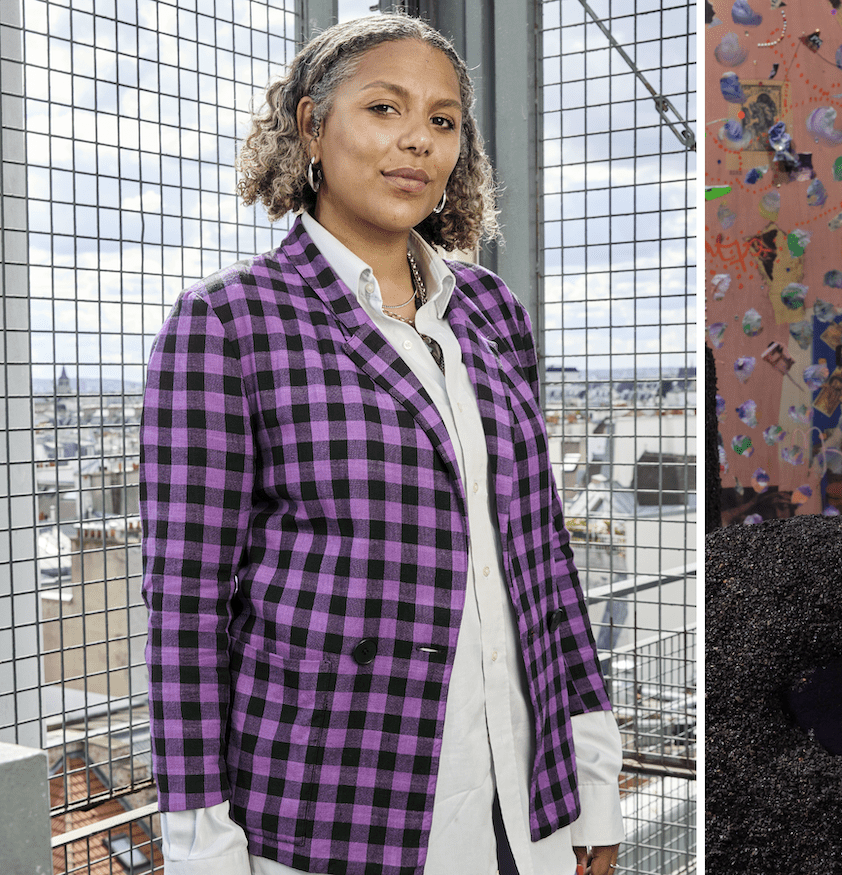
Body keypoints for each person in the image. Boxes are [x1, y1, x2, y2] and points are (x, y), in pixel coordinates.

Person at [140, 14, 623, 875]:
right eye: (384, 108)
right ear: (310, 125)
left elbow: (543, 559)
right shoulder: (228, 323)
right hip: (340, 809)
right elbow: (186, 609)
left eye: (442, 121)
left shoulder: (491, 312)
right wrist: (203, 848)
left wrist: (593, 785)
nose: (416, 142)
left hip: (528, 801)